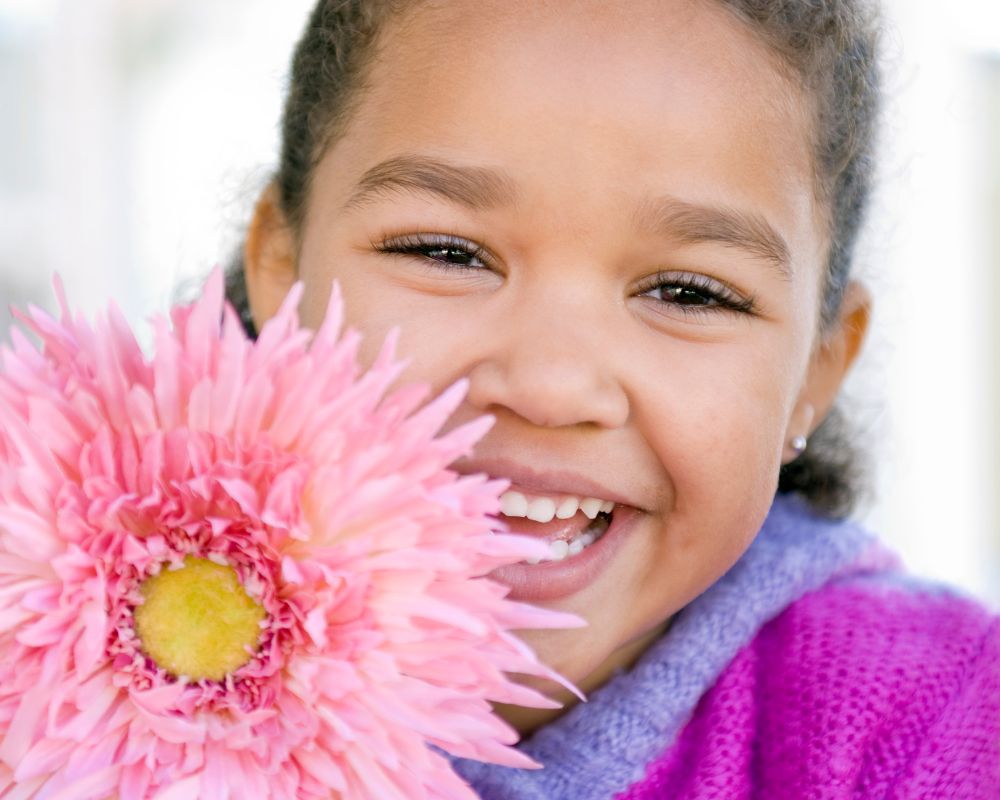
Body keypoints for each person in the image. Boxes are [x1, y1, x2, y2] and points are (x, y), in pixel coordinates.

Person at [226, 0, 1000, 796]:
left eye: (689, 294)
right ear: (281, 267)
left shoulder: (940, 718)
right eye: (447, 252)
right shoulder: (106, 671)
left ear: (816, 371)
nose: (552, 387)